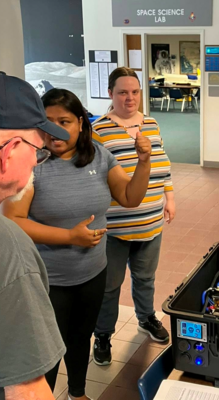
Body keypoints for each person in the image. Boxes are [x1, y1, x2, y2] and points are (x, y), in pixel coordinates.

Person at [2, 88, 151, 400]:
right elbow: (14, 220)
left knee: (81, 338)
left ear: (81, 123)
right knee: (46, 352)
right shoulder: (33, 162)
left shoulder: (99, 155)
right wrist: (70, 237)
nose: (55, 131)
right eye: (48, 122)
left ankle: (77, 392)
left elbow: (130, 197)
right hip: (49, 280)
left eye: (65, 122)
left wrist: (144, 161)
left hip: (92, 272)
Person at [91, 67, 174, 366]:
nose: (130, 98)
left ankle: (146, 317)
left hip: (151, 222)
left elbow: (163, 162)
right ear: (110, 94)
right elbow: (93, 177)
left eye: (135, 92)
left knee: (145, 278)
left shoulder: (151, 123)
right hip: (114, 227)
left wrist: (170, 197)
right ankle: (103, 335)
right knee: (109, 285)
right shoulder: (98, 130)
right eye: (122, 92)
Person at [0, 72, 67, 400]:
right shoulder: (8, 246)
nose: (37, 163)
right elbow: (27, 392)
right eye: (38, 151)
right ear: (9, 151)